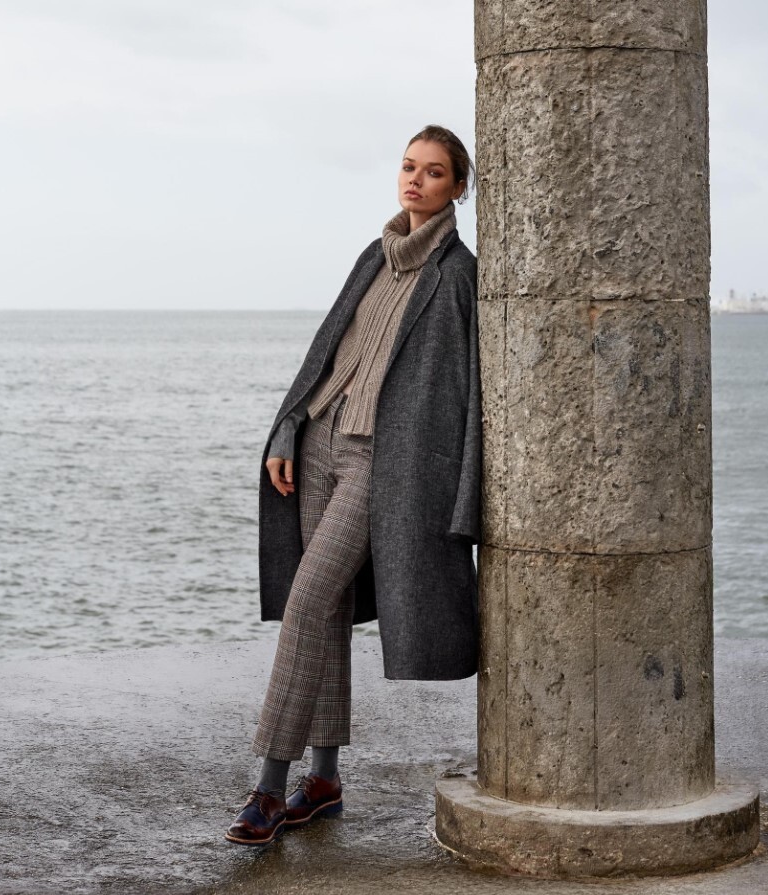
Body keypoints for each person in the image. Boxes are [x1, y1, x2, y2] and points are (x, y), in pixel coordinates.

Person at [226, 124, 481, 846]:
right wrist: (288, 425)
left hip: (382, 464)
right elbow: (328, 352)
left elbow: (467, 392)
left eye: (434, 172)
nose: (415, 180)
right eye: (408, 166)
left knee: (306, 604)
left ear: (459, 188)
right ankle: (325, 781)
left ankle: (268, 787)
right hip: (318, 444)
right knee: (328, 610)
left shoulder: (457, 276)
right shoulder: (375, 254)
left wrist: (463, 498)